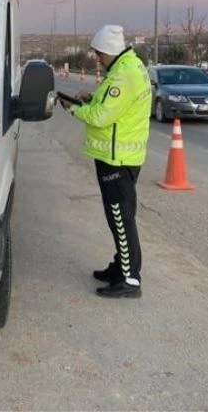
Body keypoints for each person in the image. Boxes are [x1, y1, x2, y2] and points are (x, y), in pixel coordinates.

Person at [59, 25, 152, 298]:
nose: (97, 58)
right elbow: (110, 105)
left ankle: (130, 279)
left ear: (110, 51)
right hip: (118, 155)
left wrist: (74, 109)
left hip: (117, 159)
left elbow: (101, 117)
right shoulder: (125, 69)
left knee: (121, 219)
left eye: (99, 53)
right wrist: (90, 97)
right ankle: (120, 267)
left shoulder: (124, 76)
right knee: (118, 218)